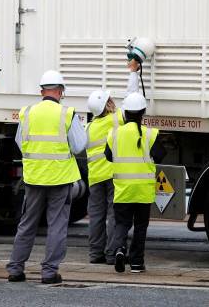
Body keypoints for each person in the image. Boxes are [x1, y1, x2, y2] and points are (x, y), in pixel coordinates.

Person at [7, 70, 87, 284]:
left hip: (34, 177)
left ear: (42, 91)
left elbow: (19, 142)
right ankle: (49, 272)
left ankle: (15, 269)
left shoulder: (27, 112)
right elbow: (79, 146)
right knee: (57, 225)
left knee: (27, 223)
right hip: (60, 177)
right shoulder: (67, 114)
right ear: (61, 91)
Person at [104, 92, 166, 273]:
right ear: (143, 113)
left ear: (125, 113)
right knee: (140, 226)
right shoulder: (150, 134)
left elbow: (108, 157)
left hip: (123, 190)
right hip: (143, 191)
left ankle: (120, 250)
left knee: (121, 223)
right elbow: (161, 154)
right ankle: (137, 262)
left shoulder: (114, 134)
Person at [85, 60, 140, 265]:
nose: (114, 101)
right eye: (110, 99)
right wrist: (133, 72)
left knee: (96, 216)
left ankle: (95, 254)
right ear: (107, 105)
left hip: (95, 177)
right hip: (113, 175)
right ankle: (111, 254)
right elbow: (132, 97)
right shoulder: (117, 119)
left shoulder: (89, 127)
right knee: (114, 216)